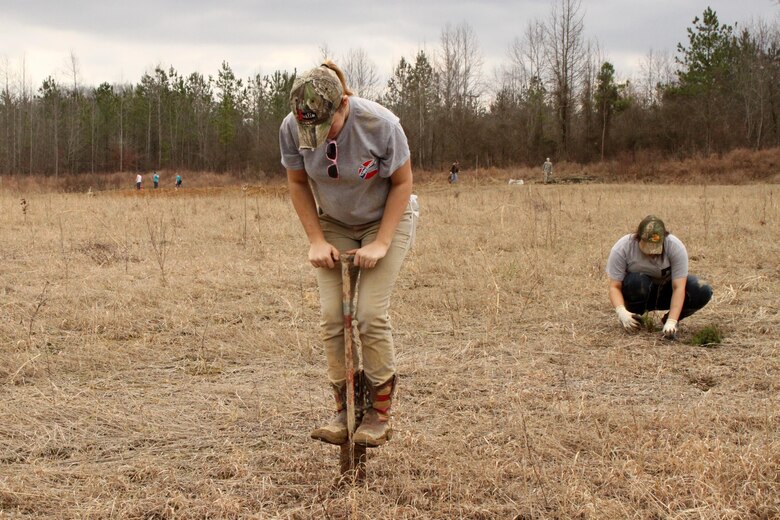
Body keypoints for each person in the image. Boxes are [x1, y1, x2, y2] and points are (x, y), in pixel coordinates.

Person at [279, 61, 415, 447]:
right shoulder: (292, 127)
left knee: (369, 314)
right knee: (332, 316)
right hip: (335, 222)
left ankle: (379, 412)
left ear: (343, 106)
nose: (317, 138)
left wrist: (382, 243)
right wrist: (316, 239)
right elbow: (297, 182)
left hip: (384, 217)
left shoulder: (381, 125)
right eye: (310, 131)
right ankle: (345, 408)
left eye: (326, 128)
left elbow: (403, 184)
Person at [606, 215, 713, 338]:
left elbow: (679, 287)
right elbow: (615, 286)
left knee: (702, 289)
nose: (652, 253)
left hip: (667, 292)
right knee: (636, 281)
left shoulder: (675, 247)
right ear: (638, 238)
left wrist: (672, 321)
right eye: (647, 247)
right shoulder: (622, 247)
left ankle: (669, 320)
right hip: (638, 293)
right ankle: (634, 318)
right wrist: (621, 311)